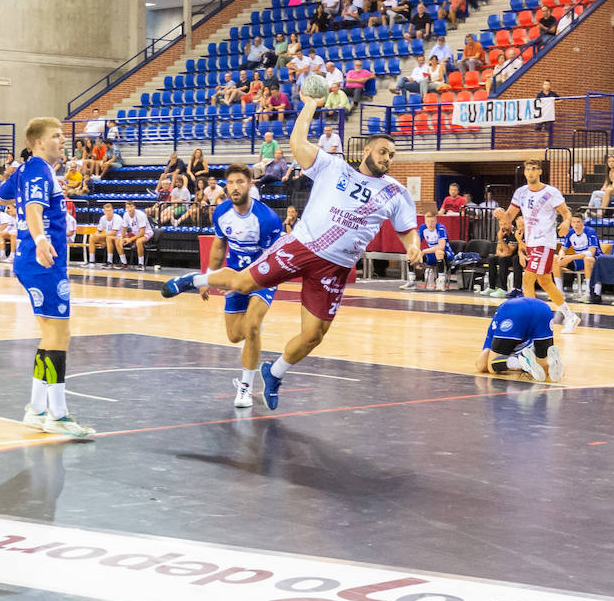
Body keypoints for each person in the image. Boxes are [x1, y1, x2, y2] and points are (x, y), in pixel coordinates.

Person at [160, 95, 421, 410]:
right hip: (302, 246)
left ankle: (274, 371)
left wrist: (413, 248)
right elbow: (298, 142)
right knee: (243, 284)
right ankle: (195, 280)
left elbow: (407, 230)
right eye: (383, 151)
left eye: (392, 155)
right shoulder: (334, 166)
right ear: (366, 150)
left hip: (336, 268)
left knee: (314, 336)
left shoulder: (396, 192)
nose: (387, 158)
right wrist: (310, 105)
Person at [0, 116, 96, 438]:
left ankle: (36, 409)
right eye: (56, 136)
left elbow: (0, 197)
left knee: (50, 334)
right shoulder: (38, 169)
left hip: (31, 260)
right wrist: (40, 239)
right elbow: (35, 210)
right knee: (59, 335)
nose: (63, 140)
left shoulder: (24, 171)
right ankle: (59, 415)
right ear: (38, 143)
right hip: (43, 260)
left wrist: (22, 206)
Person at [196, 163, 286, 408]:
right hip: (234, 274)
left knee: (253, 326)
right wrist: (209, 277)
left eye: (240, 182)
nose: (235, 187)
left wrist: (245, 284)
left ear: (250, 185)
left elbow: (273, 261)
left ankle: (246, 387)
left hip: (264, 276)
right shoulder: (221, 212)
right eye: (231, 183)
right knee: (235, 335)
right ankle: (254, 345)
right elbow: (218, 247)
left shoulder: (267, 219)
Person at [500, 159, 579, 333]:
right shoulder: (521, 193)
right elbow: (509, 216)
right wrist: (501, 216)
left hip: (544, 242)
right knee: (545, 281)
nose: (530, 172)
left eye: (534, 169)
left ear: (540, 172)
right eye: (528, 169)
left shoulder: (551, 192)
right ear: (525, 172)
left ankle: (531, 319)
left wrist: (566, 222)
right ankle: (570, 315)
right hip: (531, 242)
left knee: (528, 279)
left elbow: (566, 212)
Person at [475, 296, 564, 382]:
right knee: (542, 369)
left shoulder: (498, 324)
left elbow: (482, 364)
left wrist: (513, 364)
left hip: (514, 311)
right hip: (543, 309)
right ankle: (552, 362)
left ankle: (521, 363)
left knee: (491, 366)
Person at [403, 211, 454, 290]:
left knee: (439, 252)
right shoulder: (423, 228)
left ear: (436, 221)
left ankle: (441, 281)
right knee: (411, 253)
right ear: (425, 221)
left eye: (432, 221)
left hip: (446, 255)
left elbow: (441, 246)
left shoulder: (440, 228)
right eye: (428, 221)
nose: (430, 224)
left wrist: (424, 251)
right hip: (431, 255)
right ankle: (412, 281)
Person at [556, 214, 599, 296]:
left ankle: (588, 292)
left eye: (578, 222)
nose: (576, 224)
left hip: (595, 260)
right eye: (574, 222)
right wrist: (561, 256)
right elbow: (563, 249)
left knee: (587, 259)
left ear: (583, 223)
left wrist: (570, 257)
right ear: (571, 224)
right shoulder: (570, 232)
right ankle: (559, 292)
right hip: (579, 260)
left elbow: (591, 253)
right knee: (556, 259)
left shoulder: (590, 231)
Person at [485, 218, 522, 296]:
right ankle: (492, 287)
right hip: (506, 256)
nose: (502, 227)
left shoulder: (514, 233)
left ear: (510, 223)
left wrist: (501, 239)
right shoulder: (502, 232)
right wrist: (502, 253)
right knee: (492, 259)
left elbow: (509, 252)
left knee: (503, 260)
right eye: (501, 224)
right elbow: (498, 251)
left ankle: (503, 289)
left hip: (515, 257)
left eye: (504, 224)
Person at [116, 201, 154, 270]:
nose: (129, 209)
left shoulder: (141, 215)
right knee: (118, 240)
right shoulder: (126, 215)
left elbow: (142, 233)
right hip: (135, 233)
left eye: (131, 207)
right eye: (127, 207)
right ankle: (124, 263)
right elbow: (124, 229)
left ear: (134, 207)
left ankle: (141, 264)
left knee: (138, 242)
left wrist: (130, 239)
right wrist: (122, 237)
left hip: (146, 233)